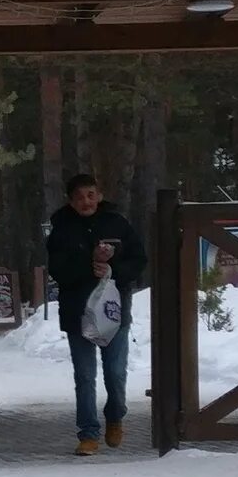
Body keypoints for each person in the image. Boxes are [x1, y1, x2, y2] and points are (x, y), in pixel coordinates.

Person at [46, 172, 149, 457]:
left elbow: (139, 259)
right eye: (79, 197)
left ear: (99, 195)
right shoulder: (61, 228)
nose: (86, 201)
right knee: (84, 375)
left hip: (114, 312)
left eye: (90, 194)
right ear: (71, 201)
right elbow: (57, 268)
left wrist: (113, 270)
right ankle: (88, 434)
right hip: (77, 310)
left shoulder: (118, 223)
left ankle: (115, 415)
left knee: (115, 373)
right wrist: (89, 265)